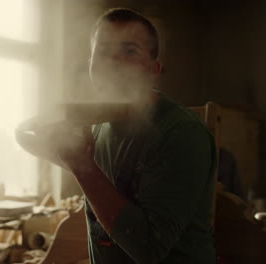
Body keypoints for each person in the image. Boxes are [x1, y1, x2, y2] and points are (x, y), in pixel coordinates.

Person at [52, 8, 217, 264]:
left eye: (129, 51)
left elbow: (148, 248)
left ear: (154, 69)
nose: (113, 63)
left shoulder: (183, 133)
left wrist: (82, 166)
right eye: (103, 51)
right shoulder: (96, 126)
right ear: (91, 66)